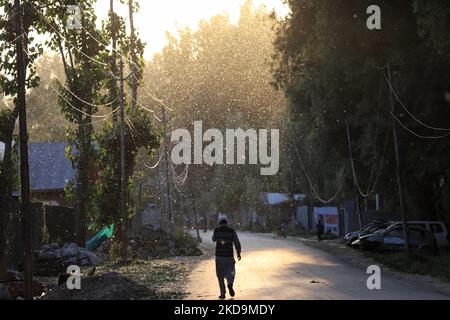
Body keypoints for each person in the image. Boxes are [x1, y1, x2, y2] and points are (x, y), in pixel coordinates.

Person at [212, 213, 241, 299]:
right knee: (230, 271)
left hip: (219, 256)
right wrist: (238, 253)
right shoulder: (231, 231)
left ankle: (222, 293)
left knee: (220, 275)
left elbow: (213, 239)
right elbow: (237, 243)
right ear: (226, 222)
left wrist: (218, 236)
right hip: (229, 256)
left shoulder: (217, 230)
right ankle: (230, 282)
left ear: (219, 222)